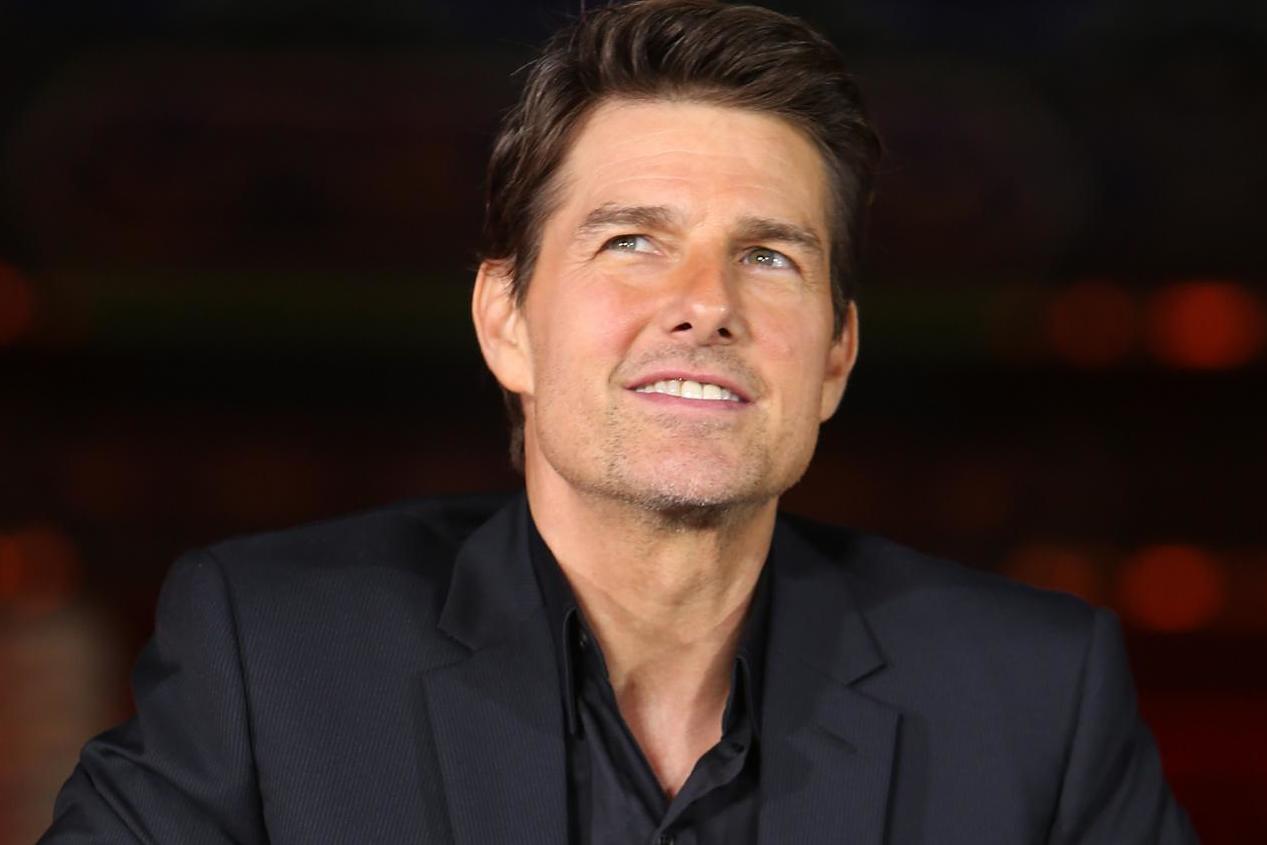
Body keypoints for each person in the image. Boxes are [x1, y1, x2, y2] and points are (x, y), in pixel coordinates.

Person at [41, 1, 1196, 843]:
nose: (705, 303)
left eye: (768, 256)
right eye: (632, 241)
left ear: (835, 356)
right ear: (507, 322)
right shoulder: (274, 655)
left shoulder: (1035, 696)